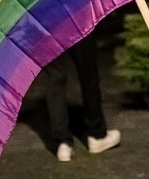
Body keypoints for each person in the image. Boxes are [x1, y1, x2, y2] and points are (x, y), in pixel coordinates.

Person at [38, 33, 120, 162]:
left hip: (46, 24)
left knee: (55, 79)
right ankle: (96, 134)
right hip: (75, 18)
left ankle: (63, 143)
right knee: (88, 73)